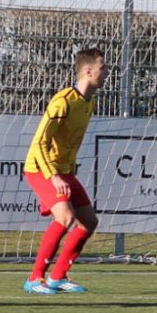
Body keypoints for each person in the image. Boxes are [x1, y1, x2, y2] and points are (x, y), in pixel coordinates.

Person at [22, 47, 109, 294]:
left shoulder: (89, 102)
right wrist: (55, 175)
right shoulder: (62, 102)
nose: (107, 73)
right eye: (103, 68)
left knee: (89, 221)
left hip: (63, 170)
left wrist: (66, 171)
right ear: (89, 71)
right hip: (39, 167)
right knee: (65, 217)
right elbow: (40, 143)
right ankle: (35, 278)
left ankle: (58, 276)